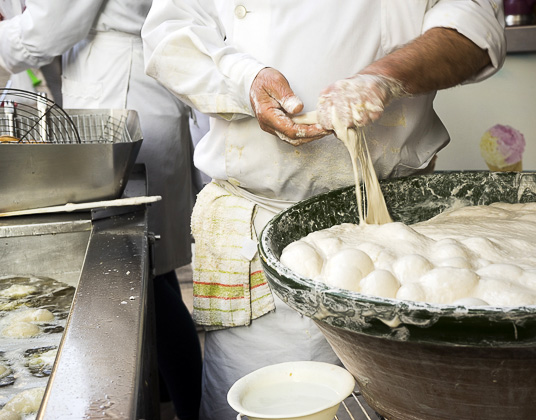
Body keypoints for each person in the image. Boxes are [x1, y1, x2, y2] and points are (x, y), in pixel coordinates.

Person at [142, 1, 506, 419]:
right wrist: (244, 81)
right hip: (265, 242)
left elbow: (474, 23)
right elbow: (170, 29)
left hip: (402, 236)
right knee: (270, 402)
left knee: (401, 402)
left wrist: (384, 77)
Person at [0, 2, 202, 419]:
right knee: (152, 272)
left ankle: (193, 406)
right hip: (121, 84)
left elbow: (55, 21)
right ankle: (169, 395)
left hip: (125, 90)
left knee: (142, 273)